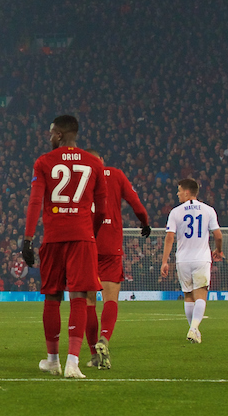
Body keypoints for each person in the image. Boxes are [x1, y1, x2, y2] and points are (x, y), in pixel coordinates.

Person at [22, 114, 106, 379]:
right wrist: (88, 233)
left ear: (58, 134)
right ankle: (73, 362)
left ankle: (53, 360)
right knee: (80, 297)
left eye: (50, 133)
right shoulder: (94, 163)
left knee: (53, 297)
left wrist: (27, 238)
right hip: (82, 237)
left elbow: (36, 202)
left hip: (54, 238)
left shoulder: (44, 162)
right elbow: (101, 210)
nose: (49, 138)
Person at [85, 151, 151, 370]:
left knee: (88, 302)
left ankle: (94, 356)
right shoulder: (115, 174)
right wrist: (144, 222)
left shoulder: (80, 177)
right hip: (111, 245)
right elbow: (136, 203)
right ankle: (104, 338)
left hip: (86, 244)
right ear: (102, 159)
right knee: (110, 298)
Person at [161, 178, 224, 344]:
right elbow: (218, 235)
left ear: (187, 192)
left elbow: (169, 237)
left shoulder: (175, 212)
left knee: (188, 296)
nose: (177, 193)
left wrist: (165, 261)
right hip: (201, 258)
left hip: (183, 260)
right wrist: (218, 250)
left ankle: (193, 330)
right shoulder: (208, 210)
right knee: (201, 294)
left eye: (179, 190)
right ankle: (194, 328)